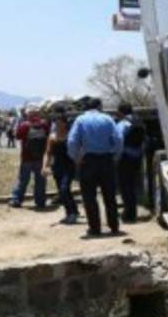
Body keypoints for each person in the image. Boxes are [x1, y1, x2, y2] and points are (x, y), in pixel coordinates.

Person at [68, 98, 122, 237]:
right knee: (110, 195)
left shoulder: (80, 120)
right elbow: (118, 138)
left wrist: (75, 157)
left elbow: (72, 140)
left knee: (89, 197)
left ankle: (95, 228)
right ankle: (114, 226)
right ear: (100, 106)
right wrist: (116, 154)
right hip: (106, 159)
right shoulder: (108, 119)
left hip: (88, 160)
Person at [10, 107, 50, 209]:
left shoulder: (25, 125)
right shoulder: (44, 124)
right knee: (40, 180)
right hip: (40, 157)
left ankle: (16, 200)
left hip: (27, 157)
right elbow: (48, 136)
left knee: (23, 179)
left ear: (28, 115)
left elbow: (17, 136)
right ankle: (40, 201)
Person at [45, 113, 79, 225]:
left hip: (69, 166)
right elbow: (48, 153)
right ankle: (71, 212)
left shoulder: (71, 136)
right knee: (62, 191)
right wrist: (45, 166)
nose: (58, 124)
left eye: (60, 122)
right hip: (57, 167)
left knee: (65, 189)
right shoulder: (52, 137)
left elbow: (77, 150)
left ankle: (72, 213)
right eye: (56, 122)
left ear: (65, 123)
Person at [115, 102, 146, 223]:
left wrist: (116, 157)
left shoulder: (123, 123)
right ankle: (132, 212)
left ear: (120, 112)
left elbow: (118, 140)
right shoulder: (138, 121)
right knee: (132, 185)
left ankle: (128, 214)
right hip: (137, 156)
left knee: (124, 186)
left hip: (125, 157)